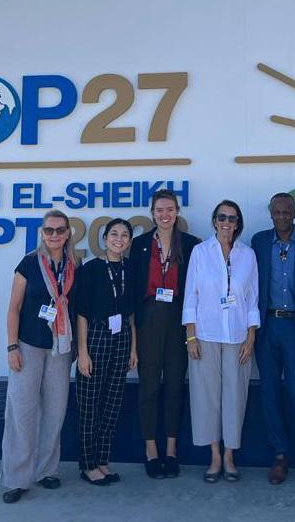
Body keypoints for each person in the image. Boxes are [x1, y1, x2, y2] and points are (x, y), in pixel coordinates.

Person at [0, 209, 80, 504]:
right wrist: (12, 347)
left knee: (55, 411)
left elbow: (75, 309)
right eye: (49, 230)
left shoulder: (74, 264)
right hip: (29, 345)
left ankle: (47, 470)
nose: (55, 235)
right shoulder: (29, 263)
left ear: (68, 232)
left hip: (60, 348)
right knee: (22, 412)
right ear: (42, 233)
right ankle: (16, 478)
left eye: (60, 230)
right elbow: (13, 308)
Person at [182, 200, 260, 483]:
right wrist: (190, 335)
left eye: (232, 218)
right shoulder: (200, 253)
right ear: (214, 221)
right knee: (207, 397)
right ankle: (214, 456)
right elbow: (191, 295)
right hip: (205, 334)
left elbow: (253, 298)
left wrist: (251, 336)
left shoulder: (247, 255)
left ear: (238, 223)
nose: (227, 222)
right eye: (222, 217)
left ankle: (230, 455)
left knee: (235, 396)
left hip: (238, 336)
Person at [251, 192, 295, 485]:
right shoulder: (258, 242)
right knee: (269, 392)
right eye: (276, 212)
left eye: (286, 212)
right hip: (267, 325)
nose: (281, 217)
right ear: (271, 214)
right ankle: (280, 455)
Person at [129, 188, 200, 478]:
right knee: (148, 387)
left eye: (169, 209)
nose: (164, 214)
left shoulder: (192, 245)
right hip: (148, 321)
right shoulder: (140, 244)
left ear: (177, 211)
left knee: (174, 386)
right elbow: (132, 291)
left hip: (178, 321)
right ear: (152, 213)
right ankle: (151, 451)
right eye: (159, 210)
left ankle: (171, 450)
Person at [76, 218, 138, 485]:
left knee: (112, 405)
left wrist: (134, 348)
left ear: (129, 241)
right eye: (114, 234)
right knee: (90, 405)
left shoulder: (130, 268)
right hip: (96, 337)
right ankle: (88, 464)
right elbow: (81, 313)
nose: (119, 239)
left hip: (123, 337)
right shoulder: (90, 270)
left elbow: (132, 313)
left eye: (125, 235)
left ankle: (103, 461)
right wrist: (83, 352)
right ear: (104, 238)